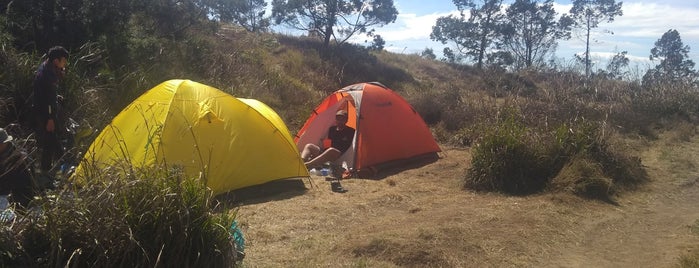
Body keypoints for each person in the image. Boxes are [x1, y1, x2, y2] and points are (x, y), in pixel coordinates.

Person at [33, 46, 69, 177]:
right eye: (63, 60)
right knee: (53, 139)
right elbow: (47, 99)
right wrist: (50, 118)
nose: (65, 63)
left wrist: (56, 96)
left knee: (49, 140)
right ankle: (65, 165)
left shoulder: (48, 66)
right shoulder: (48, 75)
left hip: (43, 109)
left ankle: (45, 170)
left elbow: (48, 94)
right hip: (45, 112)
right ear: (56, 61)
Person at [0, 128, 35, 208]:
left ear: (4, 143)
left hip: (17, 198)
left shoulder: (21, 159)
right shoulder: (2, 155)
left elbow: (25, 186)